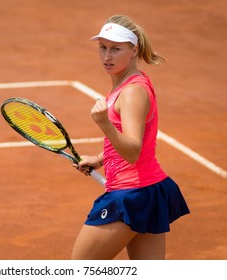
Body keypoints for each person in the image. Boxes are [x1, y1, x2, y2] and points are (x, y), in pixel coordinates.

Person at [71, 15, 190, 260]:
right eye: (102, 47)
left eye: (116, 49)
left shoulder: (132, 92)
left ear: (134, 50)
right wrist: (99, 158)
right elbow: (140, 140)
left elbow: (133, 150)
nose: (107, 56)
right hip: (148, 190)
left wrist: (105, 124)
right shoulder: (130, 83)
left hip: (131, 193)